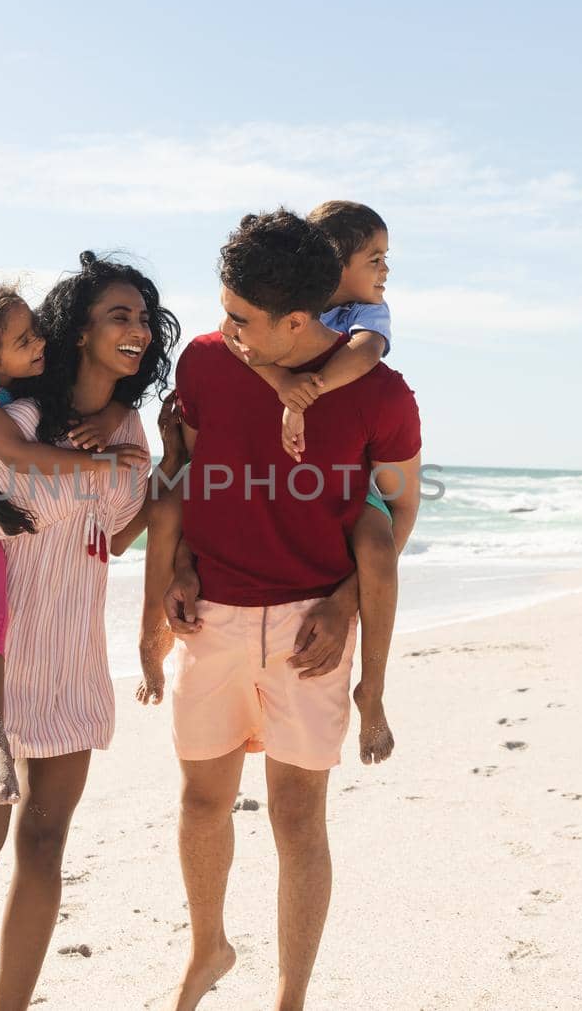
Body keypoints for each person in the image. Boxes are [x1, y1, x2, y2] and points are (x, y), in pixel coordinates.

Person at [140, 210, 422, 1011]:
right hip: (212, 619)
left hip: (311, 633)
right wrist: (182, 561)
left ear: (295, 321)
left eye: (240, 318)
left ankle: (290, 998)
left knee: (299, 818)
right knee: (202, 801)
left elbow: (398, 515)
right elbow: (185, 470)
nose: (223, 328)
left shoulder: (384, 392)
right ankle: (209, 948)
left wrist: (345, 603)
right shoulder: (203, 359)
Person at [0, 252, 181, 1011]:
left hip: (74, 666)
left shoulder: (131, 434)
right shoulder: (12, 424)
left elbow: (113, 538)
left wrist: (171, 469)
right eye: (120, 314)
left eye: (145, 318)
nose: (139, 330)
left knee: (45, 849)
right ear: (78, 330)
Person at [0, 281, 149, 806]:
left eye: (35, 332)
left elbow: (113, 536)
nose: (39, 344)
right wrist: (98, 463)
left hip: (63, 654)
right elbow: (11, 453)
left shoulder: (35, 388)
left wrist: (119, 418)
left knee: (46, 842)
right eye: (26, 338)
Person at [241, 200, 402, 765]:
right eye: (375, 259)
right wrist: (278, 377)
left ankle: (373, 688)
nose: (385, 271)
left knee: (378, 550)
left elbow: (364, 355)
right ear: (334, 263)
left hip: (349, 477)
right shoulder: (288, 305)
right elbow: (231, 329)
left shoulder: (367, 316)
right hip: (278, 480)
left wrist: (307, 392)